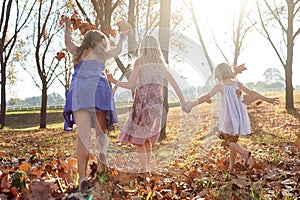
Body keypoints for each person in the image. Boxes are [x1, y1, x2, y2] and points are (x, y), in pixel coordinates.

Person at [63, 17, 129, 191]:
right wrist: (123, 35)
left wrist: (68, 27)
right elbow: (120, 49)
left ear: (85, 41)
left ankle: (82, 177)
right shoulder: (103, 54)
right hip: (99, 89)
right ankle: (101, 167)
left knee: (83, 136)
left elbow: (68, 41)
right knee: (101, 133)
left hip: (80, 91)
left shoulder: (77, 52)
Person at [106, 35, 187, 173]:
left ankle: (145, 170)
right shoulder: (161, 65)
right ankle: (147, 168)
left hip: (142, 105)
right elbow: (174, 84)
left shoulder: (140, 62)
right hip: (156, 106)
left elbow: (130, 84)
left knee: (138, 139)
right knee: (146, 138)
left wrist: (113, 80)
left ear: (142, 47)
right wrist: (183, 101)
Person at [185, 63, 279, 172]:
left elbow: (206, 97)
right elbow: (252, 93)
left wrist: (191, 105)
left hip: (228, 117)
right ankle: (231, 167)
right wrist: (268, 99)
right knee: (233, 142)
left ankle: (244, 153)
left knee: (226, 140)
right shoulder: (237, 84)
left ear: (218, 74)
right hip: (239, 116)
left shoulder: (220, 86)